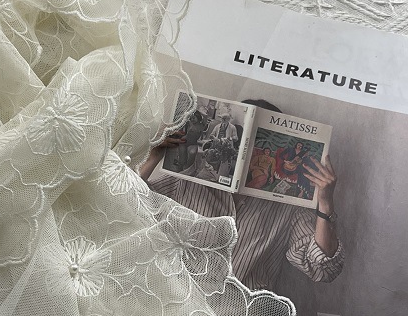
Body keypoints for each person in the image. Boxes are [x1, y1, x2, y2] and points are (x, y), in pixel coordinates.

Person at [139, 99, 343, 291]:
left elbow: (324, 269)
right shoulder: (188, 181)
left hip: (244, 313)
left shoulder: (289, 205)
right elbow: (130, 209)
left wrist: (325, 203)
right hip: (178, 304)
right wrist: (151, 157)